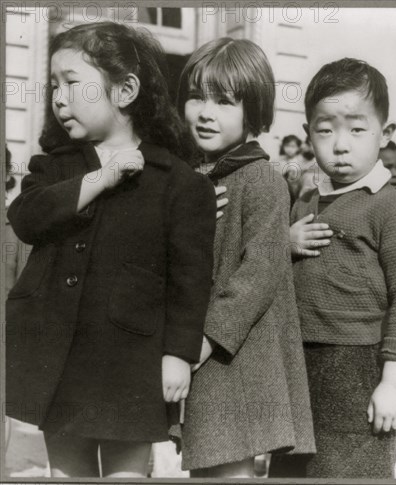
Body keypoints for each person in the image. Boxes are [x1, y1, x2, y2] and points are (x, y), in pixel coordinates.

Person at [4, 22, 216, 478]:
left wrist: (178, 353)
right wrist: (102, 178)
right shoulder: (54, 166)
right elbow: (27, 218)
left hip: (130, 363)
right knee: (66, 473)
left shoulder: (178, 182)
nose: (59, 98)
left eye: (73, 83)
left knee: (127, 474)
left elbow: (190, 279)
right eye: (54, 85)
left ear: (125, 91)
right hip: (59, 355)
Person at [271, 58, 396, 479]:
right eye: (325, 129)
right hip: (297, 362)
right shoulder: (303, 200)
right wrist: (284, 245)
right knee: (291, 472)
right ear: (307, 134)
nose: (340, 144)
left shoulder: (392, 208)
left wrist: (391, 383)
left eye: (357, 129)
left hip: (359, 366)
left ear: (385, 134)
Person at [176, 37, 315, 478]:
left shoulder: (261, 179)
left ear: (253, 111)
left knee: (225, 468)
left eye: (224, 101)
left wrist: (205, 339)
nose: (205, 111)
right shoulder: (193, 177)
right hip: (206, 350)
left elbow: (260, 271)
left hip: (233, 355)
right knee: (207, 468)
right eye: (196, 96)